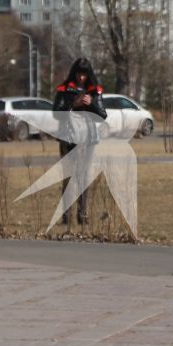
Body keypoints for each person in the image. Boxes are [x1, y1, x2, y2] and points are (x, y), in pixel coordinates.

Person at [52, 58, 108, 226]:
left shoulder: (95, 91)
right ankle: (66, 216)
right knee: (69, 176)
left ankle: (82, 215)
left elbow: (102, 115)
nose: (81, 78)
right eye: (78, 74)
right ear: (74, 73)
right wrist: (72, 104)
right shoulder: (64, 89)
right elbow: (56, 112)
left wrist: (92, 105)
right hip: (68, 137)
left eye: (84, 75)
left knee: (84, 176)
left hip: (88, 138)